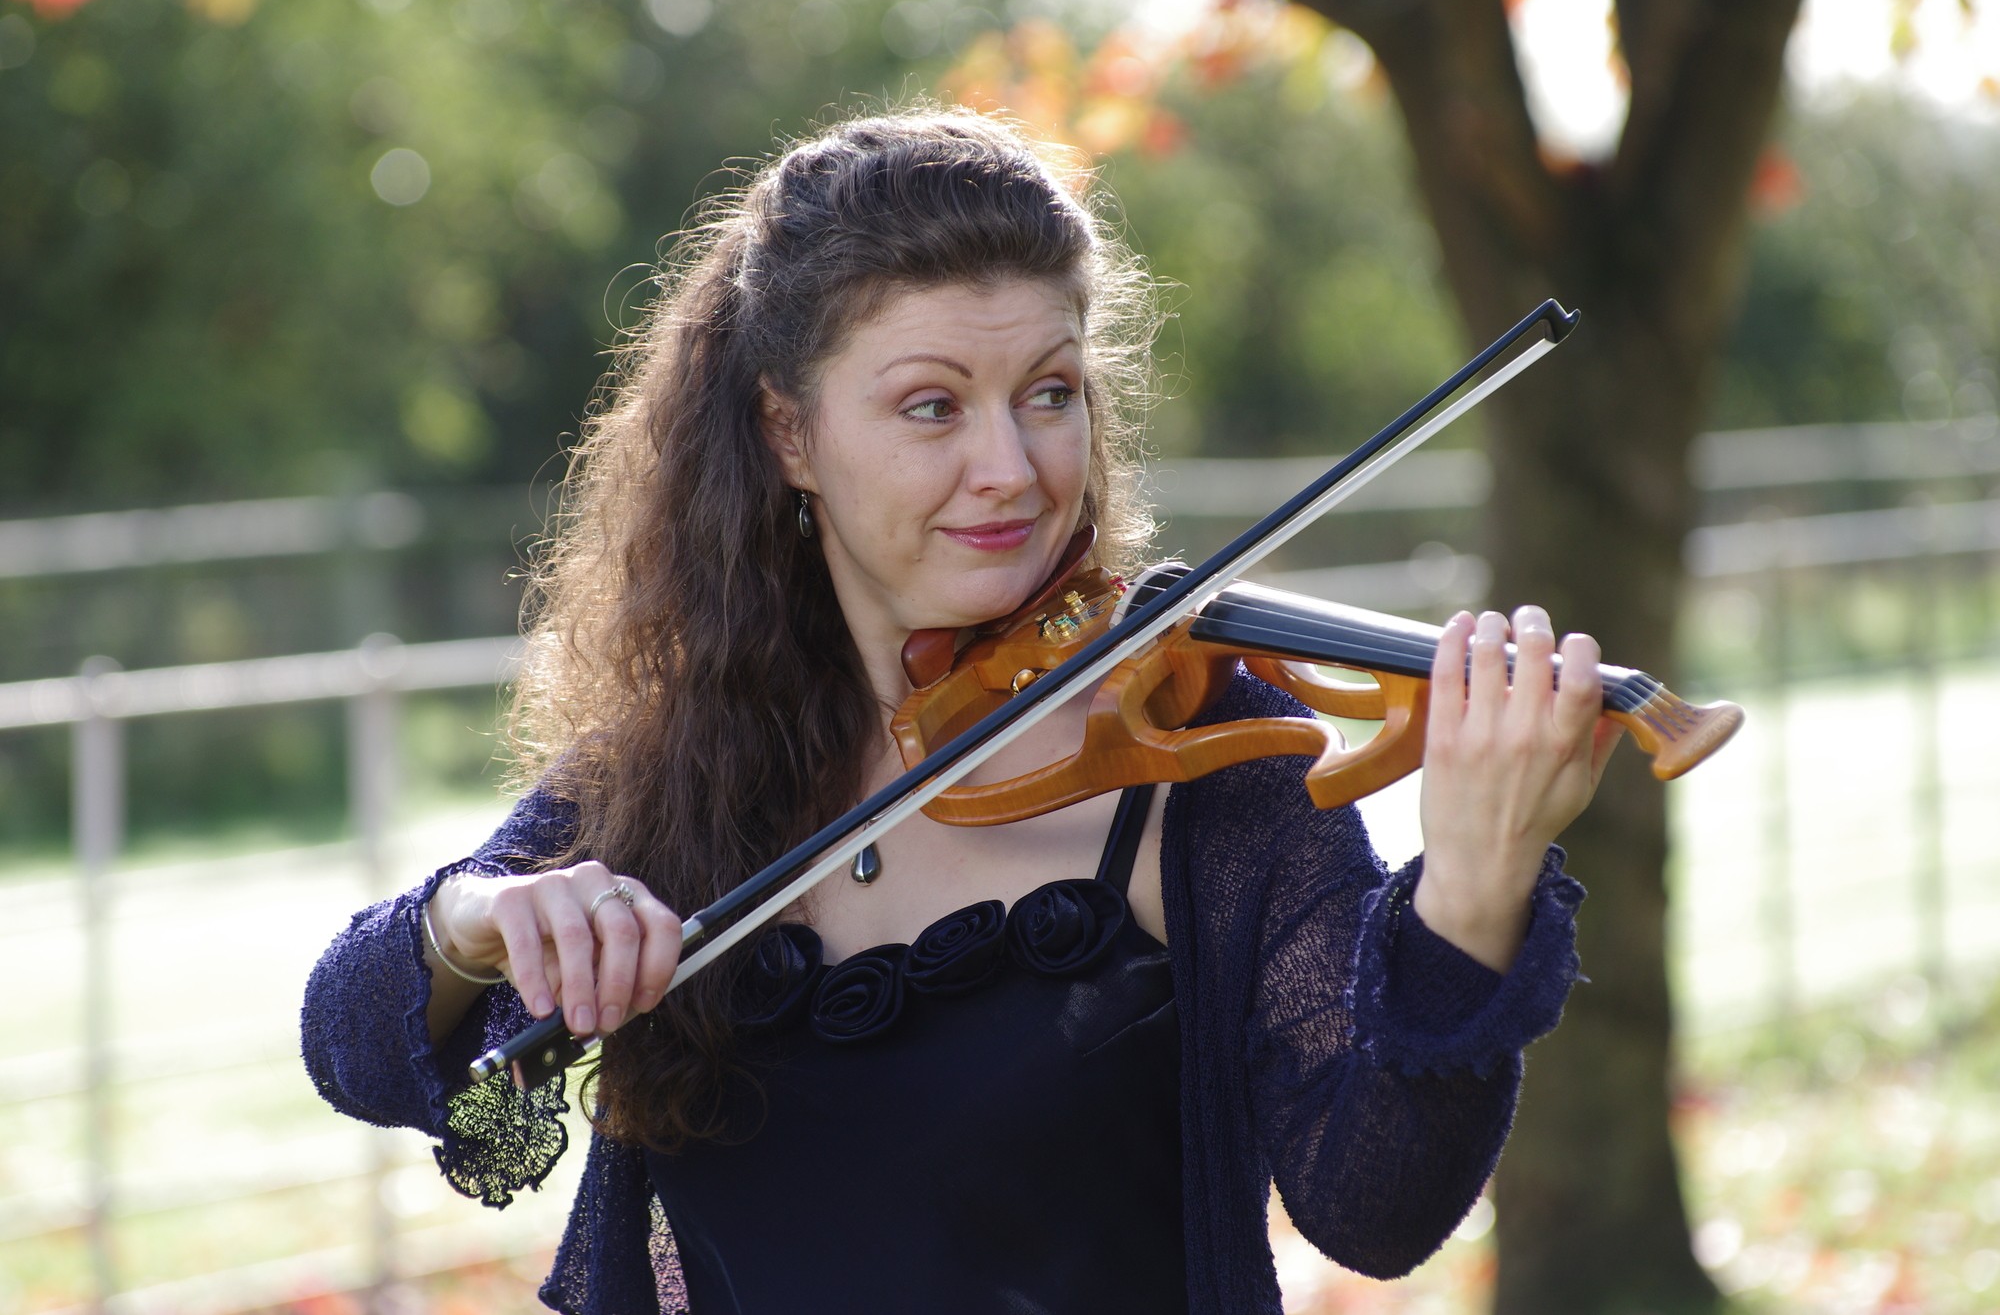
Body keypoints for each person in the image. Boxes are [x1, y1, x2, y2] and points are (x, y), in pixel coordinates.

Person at [302, 106, 1622, 1315]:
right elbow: (350, 1040)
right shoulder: (681, 770)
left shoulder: (1197, 749)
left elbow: (1378, 1207)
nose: (1012, 468)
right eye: (932, 405)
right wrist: (474, 922)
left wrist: (1478, 879)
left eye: (1048, 394)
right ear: (789, 435)